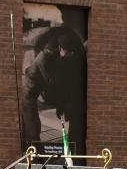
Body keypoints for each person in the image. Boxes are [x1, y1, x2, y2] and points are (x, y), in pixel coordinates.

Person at [20, 25, 86, 153]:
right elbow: (50, 81)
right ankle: (33, 148)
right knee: (31, 118)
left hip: (40, 83)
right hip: (31, 86)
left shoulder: (55, 55)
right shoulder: (45, 57)